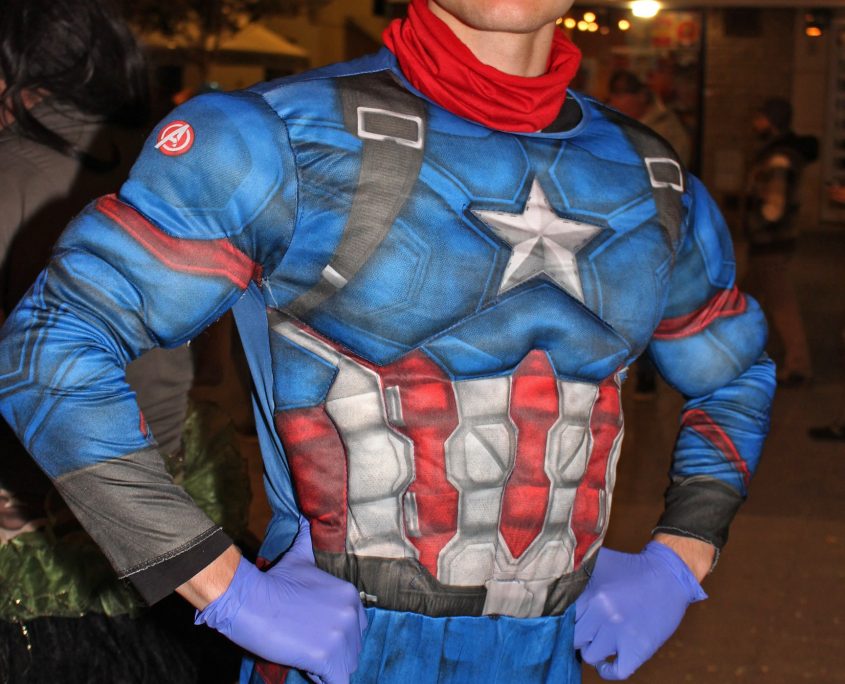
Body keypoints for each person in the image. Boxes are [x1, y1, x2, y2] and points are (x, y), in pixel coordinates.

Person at [0, 1, 775, 682]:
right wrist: (224, 587)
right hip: (336, 656)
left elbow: (733, 370)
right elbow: (49, 348)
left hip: (545, 658)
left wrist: (682, 554)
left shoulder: (650, 177)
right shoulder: (273, 139)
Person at [0, 1, 248, 680]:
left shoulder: (11, 171)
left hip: (35, 531)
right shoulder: (170, 159)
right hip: (172, 509)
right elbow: (215, 360)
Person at [743, 96, 818, 387]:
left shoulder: (778, 158)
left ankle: (799, 366)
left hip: (770, 242)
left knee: (781, 305)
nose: (755, 122)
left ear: (771, 121)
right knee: (747, 300)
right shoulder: (778, 153)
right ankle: (741, 354)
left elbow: (775, 205)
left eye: (760, 117)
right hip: (768, 242)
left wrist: (760, 218)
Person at [607, 69, 692, 167]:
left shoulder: (667, 129)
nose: (613, 102)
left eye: (620, 95)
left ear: (642, 96)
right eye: (612, 95)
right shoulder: (613, 123)